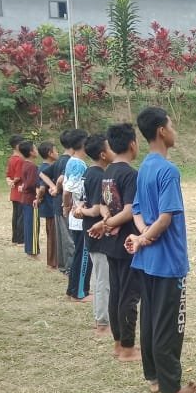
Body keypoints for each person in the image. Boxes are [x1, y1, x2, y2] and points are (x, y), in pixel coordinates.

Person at [124, 107, 196, 393]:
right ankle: (171, 389)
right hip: (168, 261)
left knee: (151, 320)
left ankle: (154, 377)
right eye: (172, 124)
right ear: (161, 132)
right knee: (169, 324)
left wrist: (142, 237)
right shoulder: (168, 170)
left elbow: (139, 211)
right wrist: (144, 239)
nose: (175, 130)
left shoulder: (145, 167)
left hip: (148, 262)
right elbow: (166, 217)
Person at [92, 123, 142, 362]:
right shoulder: (131, 174)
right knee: (129, 295)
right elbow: (131, 211)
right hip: (127, 244)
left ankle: (117, 343)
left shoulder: (108, 172)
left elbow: (103, 205)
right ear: (133, 145)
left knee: (116, 293)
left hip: (111, 243)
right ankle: (128, 348)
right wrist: (109, 223)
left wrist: (105, 221)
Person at [75, 134, 110, 335]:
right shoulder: (99, 176)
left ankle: (101, 318)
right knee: (103, 280)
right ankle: (102, 322)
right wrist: (84, 212)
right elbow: (97, 209)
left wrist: (80, 210)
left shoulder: (87, 173)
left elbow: (79, 201)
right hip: (98, 232)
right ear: (103, 155)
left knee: (98, 278)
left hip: (90, 232)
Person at [40, 131, 75, 275]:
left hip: (56, 204)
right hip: (64, 204)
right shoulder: (68, 161)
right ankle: (69, 268)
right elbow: (60, 178)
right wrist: (57, 187)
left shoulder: (60, 160)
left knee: (62, 237)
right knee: (68, 238)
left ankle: (62, 265)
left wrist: (53, 187)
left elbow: (42, 174)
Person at [63, 130, 91, 302]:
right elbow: (68, 190)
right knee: (84, 255)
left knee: (79, 253)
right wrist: (67, 206)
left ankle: (72, 289)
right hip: (79, 216)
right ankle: (79, 293)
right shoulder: (79, 164)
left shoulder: (71, 161)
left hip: (76, 215)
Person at [35, 141, 59, 269]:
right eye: (56, 150)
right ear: (50, 153)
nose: (57, 153)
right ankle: (52, 261)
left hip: (51, 206)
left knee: (52, 233)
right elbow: (42, 188)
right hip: (50, 206)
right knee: (53, 234)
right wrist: (38, 199)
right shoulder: (44, 168)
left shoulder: (47, 166)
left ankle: (54, 260)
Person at [17, 141, 40, 258]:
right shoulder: (32, 166)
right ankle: (32, 250)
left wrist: (23, 186)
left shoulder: (25, 164)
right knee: (32, 224)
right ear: (31, 152)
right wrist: (25, 187)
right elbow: (31, 184)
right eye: (35, 149)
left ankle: (29, 248)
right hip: (31, 199)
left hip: (25, 199)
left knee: (28, 223)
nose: (37, 151)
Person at [5, 134, 25, 246]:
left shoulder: (11, 159)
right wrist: (14, 181)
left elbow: (8, 174)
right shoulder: (20, 160)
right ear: (18, 146)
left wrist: (10, 181)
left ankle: (15, 239)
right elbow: (19, 175)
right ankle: (21, 239)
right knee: (21, 216)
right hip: (21, 192)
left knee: (16, 216)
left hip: (14, 193)